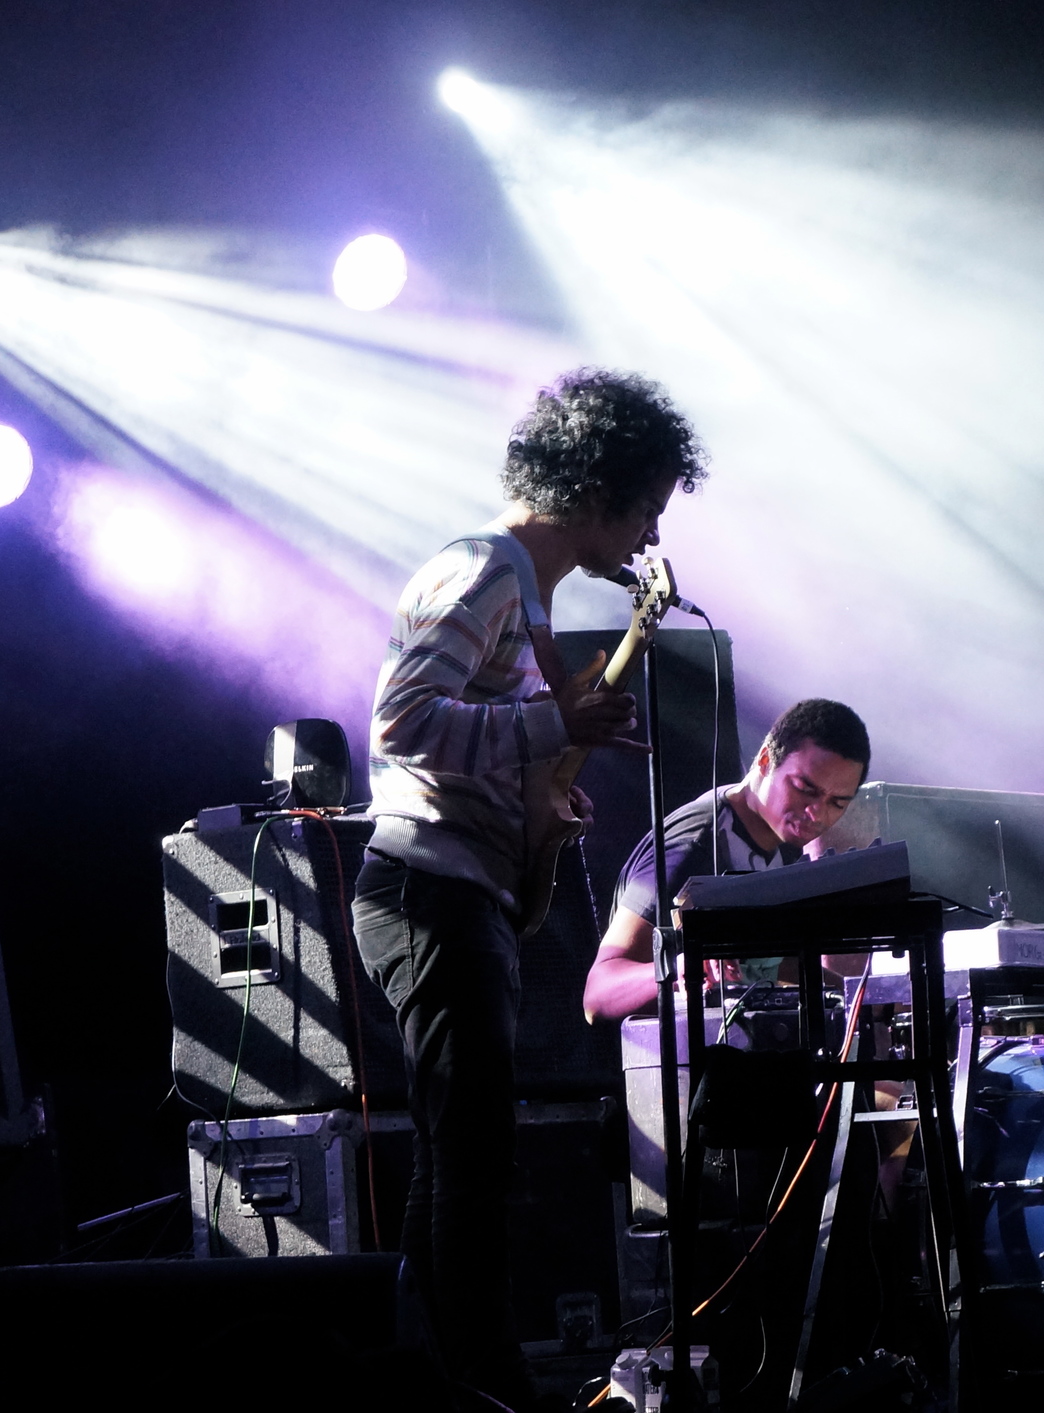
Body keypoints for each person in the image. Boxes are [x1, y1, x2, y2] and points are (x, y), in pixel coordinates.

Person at [350, 367, 706, 1408]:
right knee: (472, 1160)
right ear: (595, 488)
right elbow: (402, 726)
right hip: (426, 889)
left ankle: (445, 1381)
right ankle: (488, 1387)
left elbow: (482, 737)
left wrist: (542, 793)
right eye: (644, 507)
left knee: (455, 1158)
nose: (649, 534)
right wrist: (554, 724)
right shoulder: (482, 571)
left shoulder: (524, 590)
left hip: (459, 890)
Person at [582, 698, 872, 1023]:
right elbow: (597, 995)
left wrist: (871, 997)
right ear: (765, 760)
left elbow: (773, 963)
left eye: (837, 803)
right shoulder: (695, 846)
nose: (816, 813)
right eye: (805, 789)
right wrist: (681, 969)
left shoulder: (785, 840)